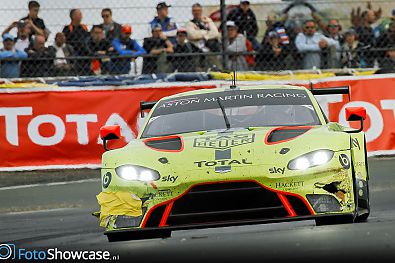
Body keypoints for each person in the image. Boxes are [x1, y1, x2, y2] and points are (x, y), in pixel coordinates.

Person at [185, 3, 221, 71]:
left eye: (198, 10)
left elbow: (215, 33)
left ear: (201, 11)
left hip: (211, 51)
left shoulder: (207, 20)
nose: (197, 12)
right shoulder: (189, 23)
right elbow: (192, 35)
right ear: (192, 12)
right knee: (200, 72)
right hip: (197, 51)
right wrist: (207, 33)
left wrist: (201, 34)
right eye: (194, 10)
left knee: (217, 69)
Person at [62, 9, 90, 74]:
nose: (81, 16)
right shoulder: (68, 28)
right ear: (73, 16)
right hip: (74, 51)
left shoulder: (84, 27)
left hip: (85, 51)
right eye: (79, 14)